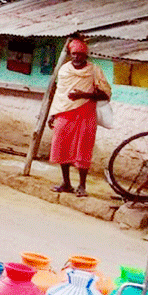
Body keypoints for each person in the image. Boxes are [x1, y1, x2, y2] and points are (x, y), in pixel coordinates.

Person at [47, 37, 112, 198]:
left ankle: (82, 186)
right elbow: (59, 93)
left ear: (86, 55)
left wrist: (84, 94)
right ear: (70, 54)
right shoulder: (64, 70)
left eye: (81, 54)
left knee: (83, 148)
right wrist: (52, 113)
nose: (77, 57)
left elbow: (105, 94)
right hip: (64, 112)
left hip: (85, 113)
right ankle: (66, 183)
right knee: (62, 146)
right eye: (74, 54)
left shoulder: (94, 70)